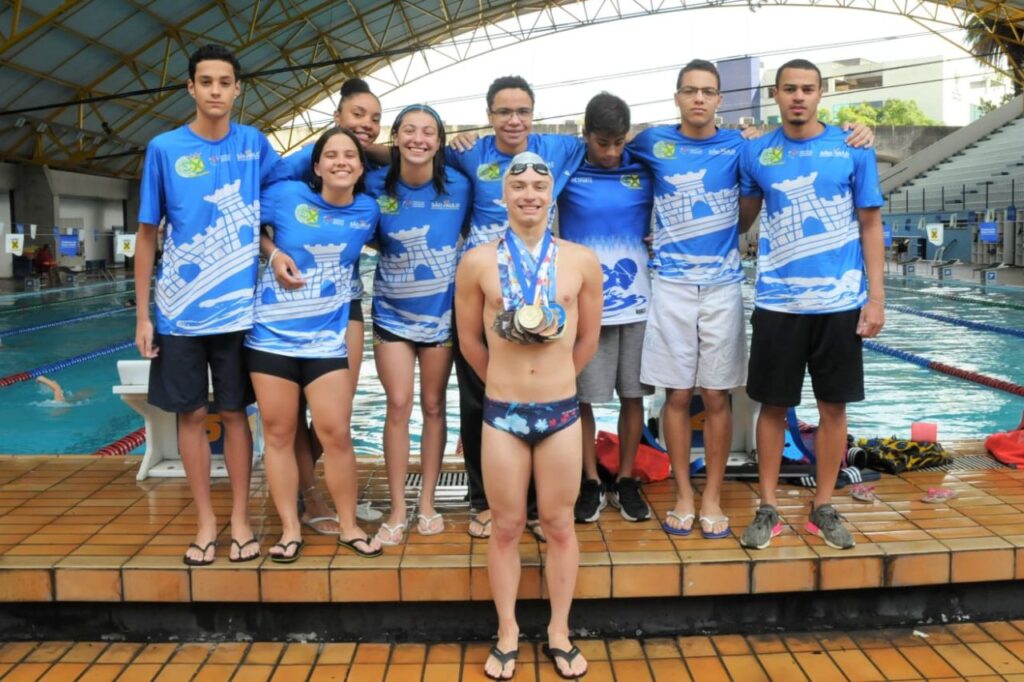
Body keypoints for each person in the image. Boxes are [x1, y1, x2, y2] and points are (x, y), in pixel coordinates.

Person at [628, 59, 874, 540]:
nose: (699, 99)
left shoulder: (750, 148)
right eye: (690, 91)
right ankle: (694, 496)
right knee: (679, 395)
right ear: (676, 96)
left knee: (724, 396)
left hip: (737, 286)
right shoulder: (655, 142)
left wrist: (877, 298)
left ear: (721, 100)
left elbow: (746, 219)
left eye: (708, 92)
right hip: (684, 289)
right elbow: (602, 154)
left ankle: (727, 498)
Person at [455, 152, 601, 680]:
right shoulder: (475, 262)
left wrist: (558, 374)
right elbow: (470, 340)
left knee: (560, 524)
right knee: (507, 526)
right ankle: (508, 630)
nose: (530, 194)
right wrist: (504, 377)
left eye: (541, 184)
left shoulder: (581, 259)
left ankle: (559, 630)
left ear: (552, 194)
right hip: (502, 415)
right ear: (504, 196)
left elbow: (587, 338)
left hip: (561, 412)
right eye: (519, 186)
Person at [135, 44, 278, 566]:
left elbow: (287, 195)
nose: (216, 90)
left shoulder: (254, 145)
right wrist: (143, 314)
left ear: (237, 89)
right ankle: (206, 522)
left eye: (225, 81)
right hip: (179, 314)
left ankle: (240, 519)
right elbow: (147, 236)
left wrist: (275, 250)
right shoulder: (164, 149)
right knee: (192, 416)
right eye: (206, 81)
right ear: (191, 89)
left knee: (237, 414)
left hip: (240, 312)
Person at [738, 58, 885, 550]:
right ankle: (768, 507)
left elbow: (870, 226)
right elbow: (741, 222)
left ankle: (824, 507)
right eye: (789, 89)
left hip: (840, 303)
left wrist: (876, 300)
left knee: (832, 408)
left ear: (820, 94)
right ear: (775, 95)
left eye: (807, 88)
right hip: (779, 302)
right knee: (772, 407)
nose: (798, 96)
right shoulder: (757, 153)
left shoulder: (851, 147)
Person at [447, 75, 586, 540]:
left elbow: (618, 144)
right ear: (488, 115)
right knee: (477, 402)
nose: (513, 120)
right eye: (503, 111)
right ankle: (484, 500)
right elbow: (412, 151)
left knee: (546, 404)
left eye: (522, 111)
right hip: (486, 285)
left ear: (533, 113)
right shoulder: (468, 151)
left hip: (541, 288)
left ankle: (536, 508)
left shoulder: (560, 148)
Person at [247, 127, 382, 561]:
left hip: (327, 338)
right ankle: (290, 528)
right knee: (280, 433)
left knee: (336, 432)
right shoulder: (286, 196)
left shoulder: (368, 211)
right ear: (317, 164)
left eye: (350, 156)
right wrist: (271, 251)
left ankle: (348, 525)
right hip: (271, 336)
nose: (341, 161)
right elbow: (242, 219)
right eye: (332, 155)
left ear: (361, 168)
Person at [364, 105, 471, 545]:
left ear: (440, 142)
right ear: (395, 137)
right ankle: (396, 507)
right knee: (398, 404)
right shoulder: (373, 184)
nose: (418, 139)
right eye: (409, 130)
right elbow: (365, 230)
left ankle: (426, 502)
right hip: (391, 312)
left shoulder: (459, 187)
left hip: (441, 316)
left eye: (429, 132)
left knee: (432, 406)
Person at [557, 93, 654, 523]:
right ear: (586, 136)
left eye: (618, 142)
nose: (612, 153)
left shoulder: (644, 167)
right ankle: (590, 480)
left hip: (639, 304)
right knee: (584, 400)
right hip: (585, 308)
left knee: (633, 396)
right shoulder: (567, 169)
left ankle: (628, 478)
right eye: (602, 143)